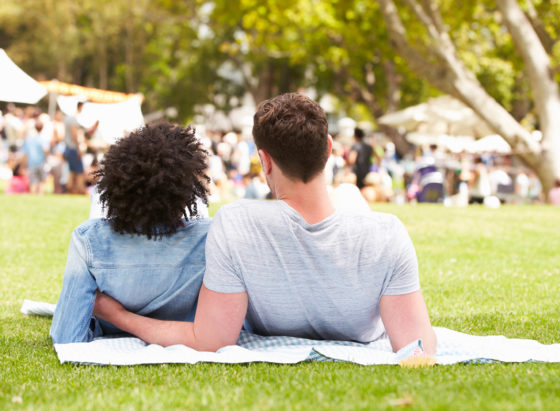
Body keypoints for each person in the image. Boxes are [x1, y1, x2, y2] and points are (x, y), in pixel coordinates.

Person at [94, 93, 437, 355]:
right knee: (347, 195)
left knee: (347, 194)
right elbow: (418, 346)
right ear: (329, 148)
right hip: (356, 244)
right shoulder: (388, 234)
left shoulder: (236, 223)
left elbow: (210, 340)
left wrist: (121, 317)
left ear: (264, 161)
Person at [50, 122, 211, 343]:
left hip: (111, 329)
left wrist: (112, 317)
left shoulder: (89, 239)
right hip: (184, 332)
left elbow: (66, 337)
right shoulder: (211, 236)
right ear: (187, 187)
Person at [63, 101, 98, 194]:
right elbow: (74, 134)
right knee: (79, 172)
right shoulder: (73, 119)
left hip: (67, 148)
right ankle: (81, 191)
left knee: (71, 171)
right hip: (73, 148)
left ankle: (69, 189)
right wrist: (79, 148)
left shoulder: (67, 118)